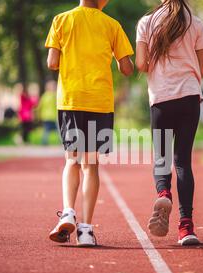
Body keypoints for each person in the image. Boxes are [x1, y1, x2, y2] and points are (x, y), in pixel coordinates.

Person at [46, 0, 134, 246]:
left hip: (71, 100)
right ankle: (85, 231)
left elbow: (52, 62)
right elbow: (127, 68)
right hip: (100, 103)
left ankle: (67, 212)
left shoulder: (61, 20)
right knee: (91, 165)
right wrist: (116, 58)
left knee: (71, 160)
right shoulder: (112, 25)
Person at [136, 0, 203, 245]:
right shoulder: (196, 23)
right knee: (182, 162)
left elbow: (141, 64)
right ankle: (186, 227)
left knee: (162, 157)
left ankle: (163, 193)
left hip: (161, 97)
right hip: (189, 97)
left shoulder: (147, 23)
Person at [37, 80, 58, 145]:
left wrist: (39, 114)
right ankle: (62, 142)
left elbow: (40, 106)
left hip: (45, 116)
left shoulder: (44, 96)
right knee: (58, 130)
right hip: (53, 115)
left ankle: (44, 142)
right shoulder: (54, 96)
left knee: (46, 130)